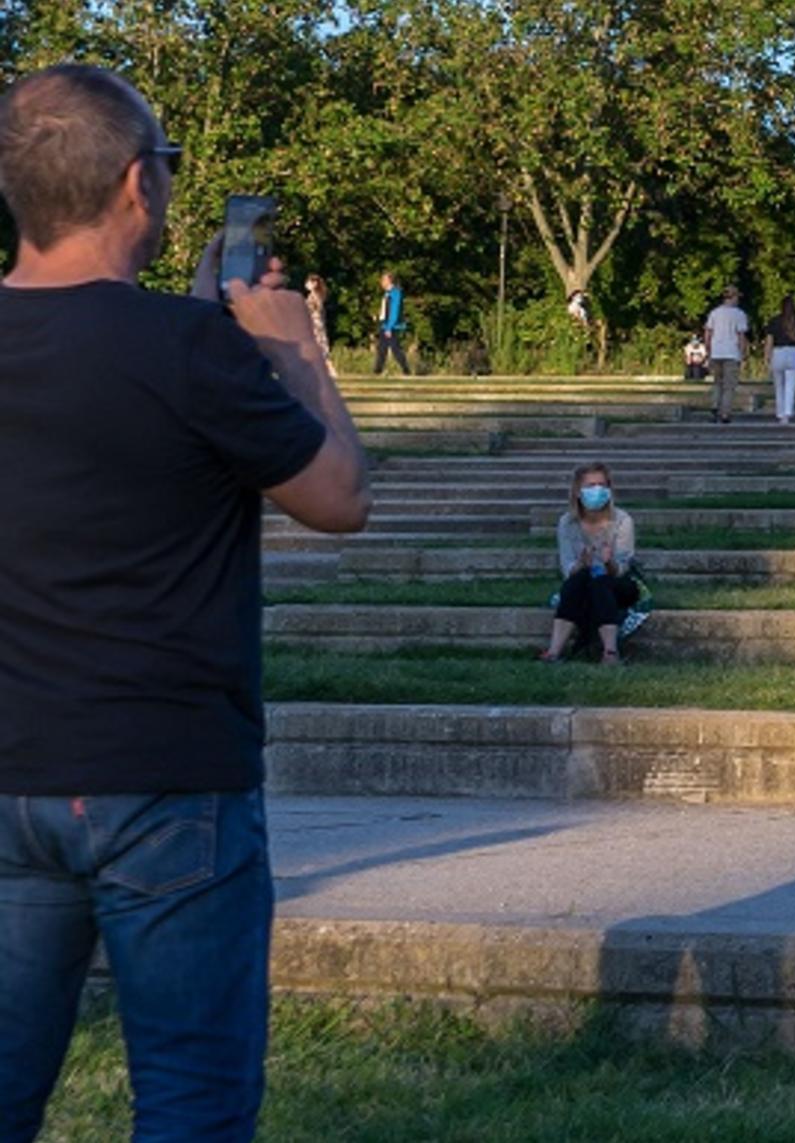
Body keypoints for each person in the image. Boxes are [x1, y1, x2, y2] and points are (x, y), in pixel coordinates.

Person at [0, 64, 372, 1140]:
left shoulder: (181, 340)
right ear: (134, 185)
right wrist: (294, 351)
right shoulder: (191, 348)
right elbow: (338, 499)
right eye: (163, 164)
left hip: (9, 767)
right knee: (190, 1106)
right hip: (166, 779)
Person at [541, 462, 639, 664]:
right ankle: (554, 651)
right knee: (579, 580)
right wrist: (580, 564)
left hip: (617, 584)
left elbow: (623, 568)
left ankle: (610, 652)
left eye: (602, 485)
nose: (597, 490)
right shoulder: (567, 523)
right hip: (582, 583)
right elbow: (567, 567)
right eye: (591, 485)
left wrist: (609, 562)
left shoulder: (622, 520)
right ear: (578, 491)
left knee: (600, 580)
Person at [703, 284, 750, 422]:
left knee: (717, 382)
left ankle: (714, 404)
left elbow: (708, 333)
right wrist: (742, 354)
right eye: (737, 297)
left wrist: (708, 349)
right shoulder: (739, 314)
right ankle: (725, 413)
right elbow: (741, 336)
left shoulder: (714, 313)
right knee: (729, 386)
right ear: (734, 297)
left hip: (716, 352)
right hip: (731, 353)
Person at [765, 294, 795, 425]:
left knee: (779, 386)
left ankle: (780, 413)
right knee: (791, 385)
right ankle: (788, 413)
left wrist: (767, 357)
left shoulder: (774, 321)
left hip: (778, 352)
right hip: (793, 353)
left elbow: (769, 341)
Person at [372, 269, 411, 374]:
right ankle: (377, 371)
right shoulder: (387, 294)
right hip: (385, 325)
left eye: (383, 280)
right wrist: (378, 317)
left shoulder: (395, 293)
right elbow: (386, 310)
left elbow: (394, 311)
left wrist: (389, 327)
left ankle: (406, 370)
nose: (381, 282)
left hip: (392, 326)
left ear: (389, 280)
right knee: (382, 349)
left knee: (395, 349)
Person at [304, 272, 334, 373]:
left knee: (320, 345)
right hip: (314, 322)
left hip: (316, 322)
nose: (307, 284)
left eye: (309, 282)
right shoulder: (313, 295)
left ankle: (329, 368)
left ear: (314, 283)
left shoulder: (316, 295)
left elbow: (317, 308)